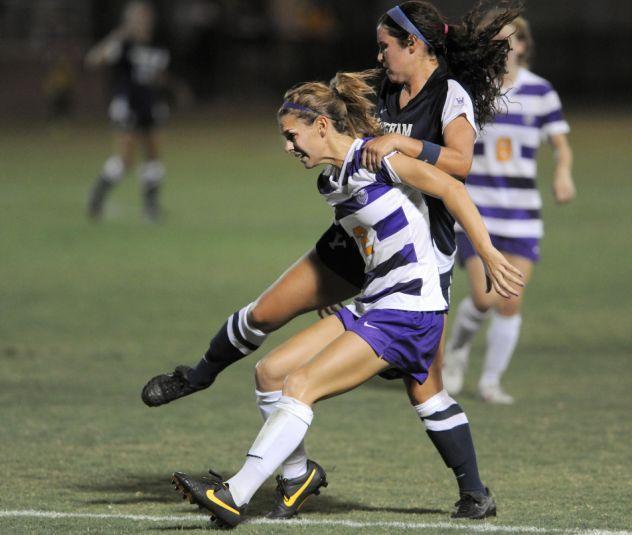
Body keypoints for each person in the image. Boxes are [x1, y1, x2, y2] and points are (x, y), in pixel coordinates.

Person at [144, 1, 520, 519]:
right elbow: (342, 134)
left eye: (386, 45)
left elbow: (456, 173)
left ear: (415, 44)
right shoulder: (341, 165)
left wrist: (488, 249)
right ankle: (287, 470)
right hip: (377, 264)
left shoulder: (431, 110)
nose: (378, 54)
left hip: (417, 273)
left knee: (418, 388)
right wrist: (354, 289)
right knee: (272, 367)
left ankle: (235, 495)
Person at [442, 16, 575, 404]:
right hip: (477, 210)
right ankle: (456, 354)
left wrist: (563, 173)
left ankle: (490, 382)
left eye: (508, 42)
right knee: (484, 298)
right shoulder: (471, 92)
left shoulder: (541, 92)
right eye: (494, 42)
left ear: (522, 46)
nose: (502, 49)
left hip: (522, 213)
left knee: (510, 299)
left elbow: (560, 145)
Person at [86, 1, 170, 222]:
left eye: (146, 17)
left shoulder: (157, 46)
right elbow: (93, 59)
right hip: (126, 104)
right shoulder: (124, 45)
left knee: (153, 153)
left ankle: (151, 207)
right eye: (138, 17)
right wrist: (117, 36)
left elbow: (158, 75)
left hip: (149, 104)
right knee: (126, 158)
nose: (143, 21)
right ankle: (97, 195)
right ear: (129, 20)